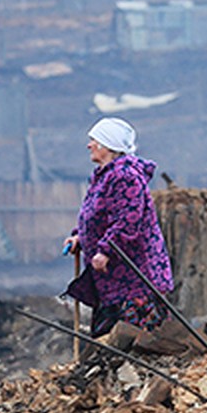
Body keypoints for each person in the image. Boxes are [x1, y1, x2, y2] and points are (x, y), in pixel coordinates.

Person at [63, 117, 174, 338]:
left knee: (132, 340)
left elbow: (127, 219)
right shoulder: (105, 175)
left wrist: (105, 250)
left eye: (94, 140)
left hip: (133, 278)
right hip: (113, 279)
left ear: (107, 146)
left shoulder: (125, 177)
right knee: (108, 341)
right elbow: (96, 215)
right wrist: (79, 238)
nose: (89, 145)